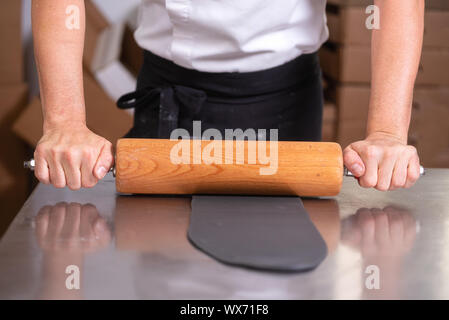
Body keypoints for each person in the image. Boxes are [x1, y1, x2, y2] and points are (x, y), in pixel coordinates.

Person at [31, 0, 424, 191]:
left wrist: (387, 132)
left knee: (278, 266)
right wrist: (64, 122)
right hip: (170, 96)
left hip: (283, 98)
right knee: (162, 262)